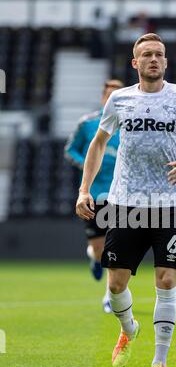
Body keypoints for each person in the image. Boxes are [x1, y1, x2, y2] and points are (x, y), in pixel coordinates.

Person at [76, 33, 176, 367]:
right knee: (117, 284)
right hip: (124, 203)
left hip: (168, 203)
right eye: (146, 55)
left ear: (166, 62)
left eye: (159, 54)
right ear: (135, 63)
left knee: (166, 280)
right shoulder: (120, 100)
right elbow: (99, 142)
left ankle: (160, 363)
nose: (154, 59)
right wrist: (84, 190)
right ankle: (128, 329)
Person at [65, 79, 124, 313]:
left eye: (117, 95)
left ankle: (109, 296)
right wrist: (87, 166)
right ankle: (93, 257)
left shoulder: (131, 124)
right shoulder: (88, 123)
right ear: (103, 98)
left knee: (116, 249)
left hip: (122, 195)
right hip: (93, 194)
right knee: (100, 250)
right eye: (109, 95)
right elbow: (70, 150)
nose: (113, 100)